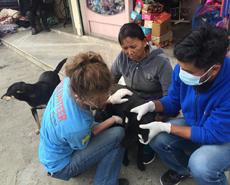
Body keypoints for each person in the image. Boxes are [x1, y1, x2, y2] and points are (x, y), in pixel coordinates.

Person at [130, 24, 230, 185]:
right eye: (180, 66)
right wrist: (150, 105)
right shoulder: (183, 69)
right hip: (195, 124)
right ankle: (186, 170)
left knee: (202, 164)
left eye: (189, 72)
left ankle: (207, 175)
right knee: (157, 138)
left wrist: (166, 127)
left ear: (214, 69)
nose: (181, 73)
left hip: (224, 137)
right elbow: (173, 100)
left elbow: (212, 134)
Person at [39, 51, 133, 185]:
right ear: (79, 96)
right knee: (118, 134)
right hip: (60, 167)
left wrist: (109, 100)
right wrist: (113, 119)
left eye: (107, 94)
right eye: (99, 100)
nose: (105, 99)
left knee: (99, 124)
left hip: (50, 150)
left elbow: (87, 105)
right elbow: (88, 136)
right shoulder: (77, 126)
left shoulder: (68, 82)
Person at [110, 22, 173, 165]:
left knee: (147, 127)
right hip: (131, 97)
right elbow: (110, 79)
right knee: (114, 118)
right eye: (125, 48)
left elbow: (170, 95)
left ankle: (147, 148)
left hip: (153, 101)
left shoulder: (161, 62)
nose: (129, 52)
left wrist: (164, 116)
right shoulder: (122, 57)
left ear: (145, 42)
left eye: (133, 47)